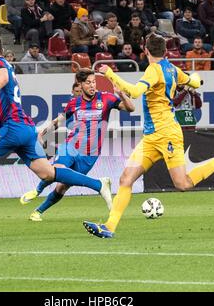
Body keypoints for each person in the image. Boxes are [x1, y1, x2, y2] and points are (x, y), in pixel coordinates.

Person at [82, 33, 214, 238]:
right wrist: (195, 81)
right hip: (152, 136)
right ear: (165, 51)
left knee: (182, 184)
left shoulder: (154, 70)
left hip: (167, 133)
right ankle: (109, 227)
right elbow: (192, 81)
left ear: (146, 50)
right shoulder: (172, 68)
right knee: (125, 179)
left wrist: (109, 73)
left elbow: (134, 92)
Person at [0, 34, 113, 224]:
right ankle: (98, 184)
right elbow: (1, 104)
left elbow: (2, 78)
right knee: (47, 173)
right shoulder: (6, 66)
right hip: (26, 129)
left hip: (12, 128)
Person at [21, 68, 135, 221]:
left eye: (94, 82)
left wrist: (121, 94)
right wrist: (43, 134)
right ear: (81, 85)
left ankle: (38, 211)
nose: (92, 85)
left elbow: (130, 108)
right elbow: (58, 121)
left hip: (90, 154)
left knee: (62, 186)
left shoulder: (106, 98)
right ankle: (38, 190)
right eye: (88, 83)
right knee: (57, 169)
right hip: (70, 146)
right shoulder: (74, 103)